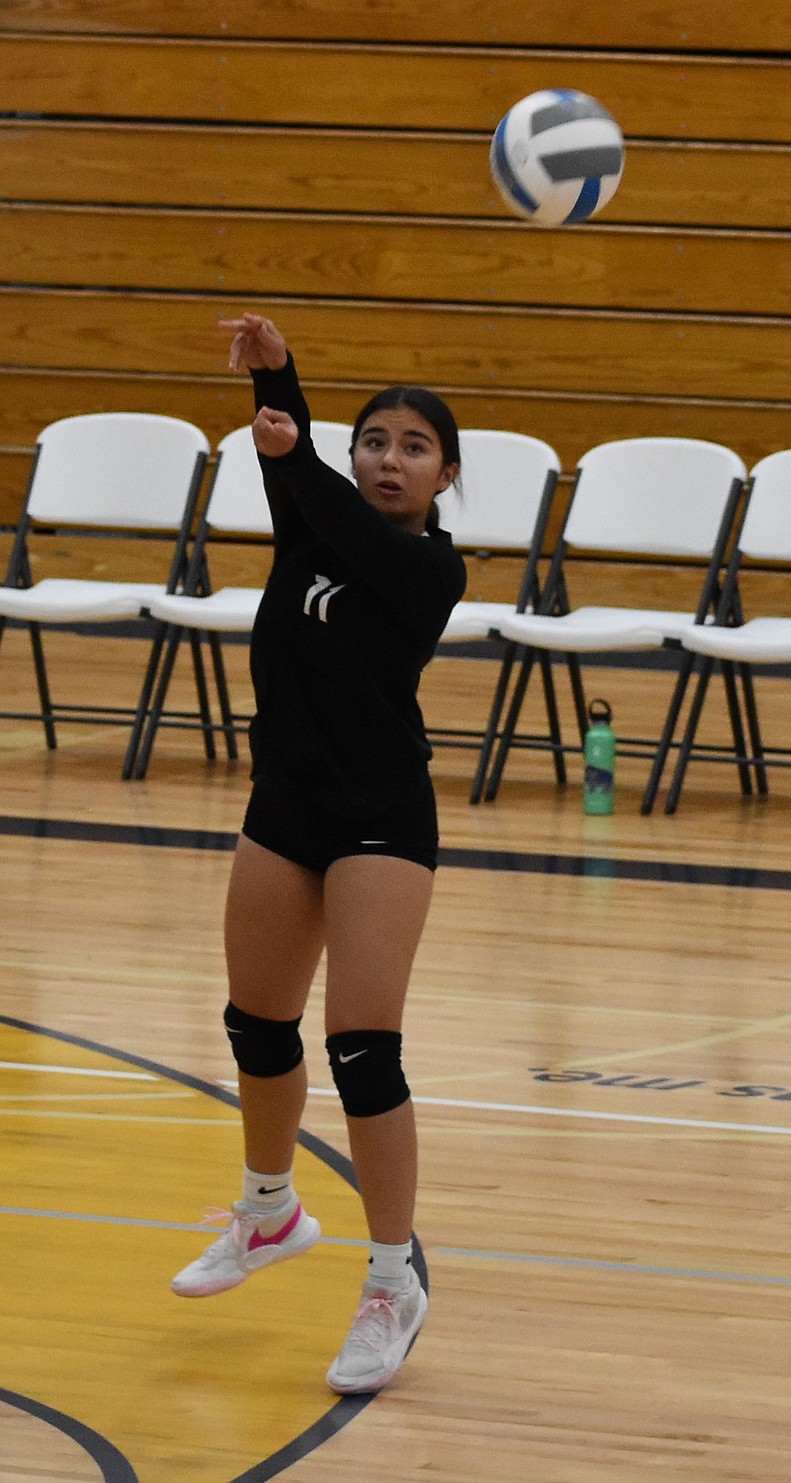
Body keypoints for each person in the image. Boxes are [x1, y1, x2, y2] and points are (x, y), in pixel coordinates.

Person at [170, 313, 466, 1393]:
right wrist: (275, 371)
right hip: (284, 803)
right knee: (255, 1021)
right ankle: (268, 1212)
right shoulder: (312, 519)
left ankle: (393, 1281)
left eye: (414, 446)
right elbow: (292, 468)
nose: (391, 457)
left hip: (382, 819)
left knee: (363, 1049)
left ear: (444, 476)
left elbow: (332, 512)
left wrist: (294, 445)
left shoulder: (431, 569)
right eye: (376, 439)